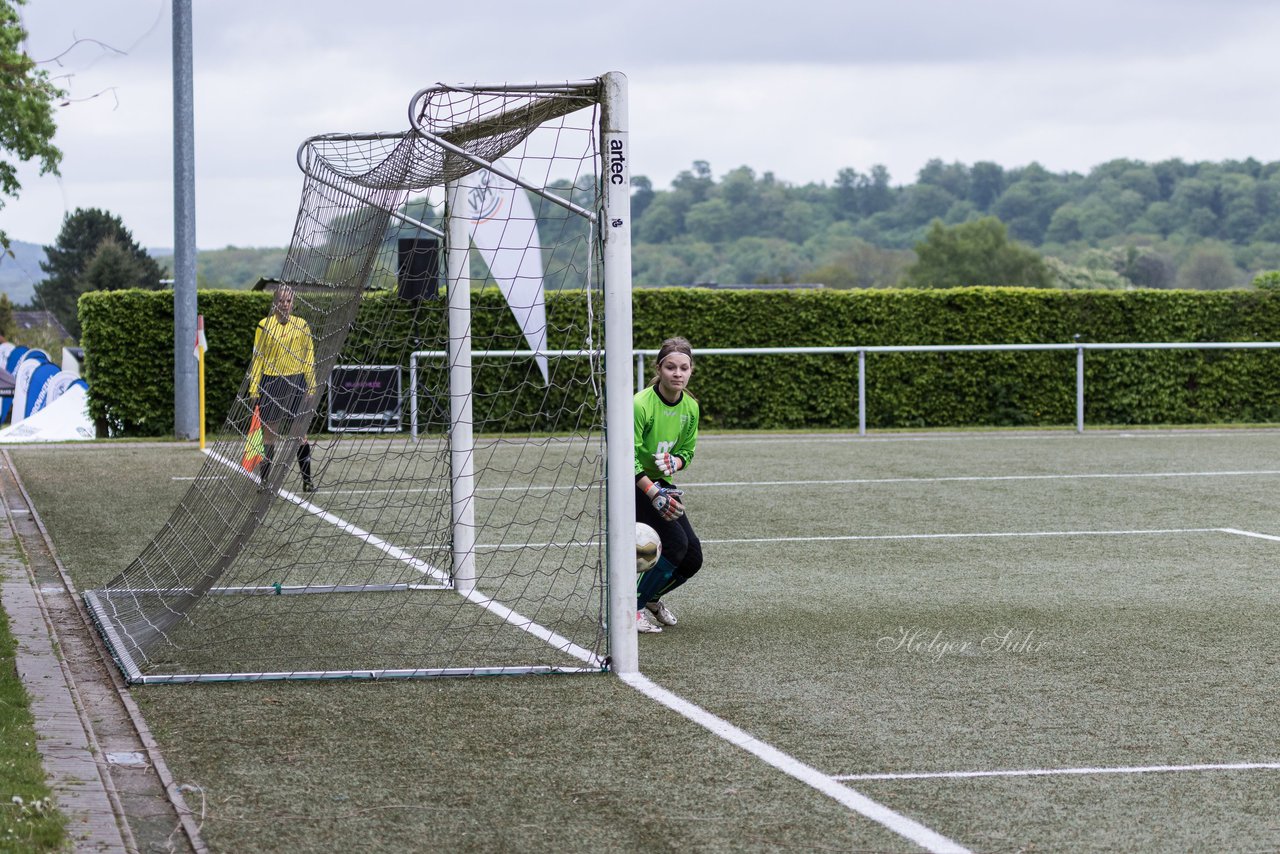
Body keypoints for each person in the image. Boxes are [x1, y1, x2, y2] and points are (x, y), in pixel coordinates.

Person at [633, 337, 703, 634]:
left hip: (661, 485)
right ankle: (630, 608)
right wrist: (653, 492)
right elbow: (626, 457)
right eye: (671, 367)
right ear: (659, 369)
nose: (678, 373)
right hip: (634, 484)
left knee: (692, 558)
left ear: (691, 371)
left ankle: (651, 597)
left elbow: (687, 451)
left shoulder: (691, 408)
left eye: (684, 368)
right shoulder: (639, 405)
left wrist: (677, 463)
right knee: (675, 545)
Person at [248, 285, 317, 492]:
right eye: (281, 301)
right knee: (269, 435)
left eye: (288, 301)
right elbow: (257, 359)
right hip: (271, 383)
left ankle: (307, 481)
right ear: (274, 303)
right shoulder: (263, 325)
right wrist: (254, 389)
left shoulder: (302, 325)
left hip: (297, 382)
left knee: (300, 435)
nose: (285, 304)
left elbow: (309, 358)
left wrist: (311, 386)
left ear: (293, 303)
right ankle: (264, 481)